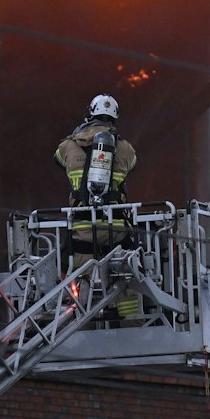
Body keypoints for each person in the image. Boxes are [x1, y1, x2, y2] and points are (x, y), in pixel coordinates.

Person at [53, 95, 142, 323]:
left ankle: (85, 328)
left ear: (89, 113)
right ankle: (135, 327)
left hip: (82, 230)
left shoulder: (67, 146)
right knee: (125, 283)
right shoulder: (126, 149)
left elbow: (58, 159)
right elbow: (131, 164)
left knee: (84, 287)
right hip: (117, 230)